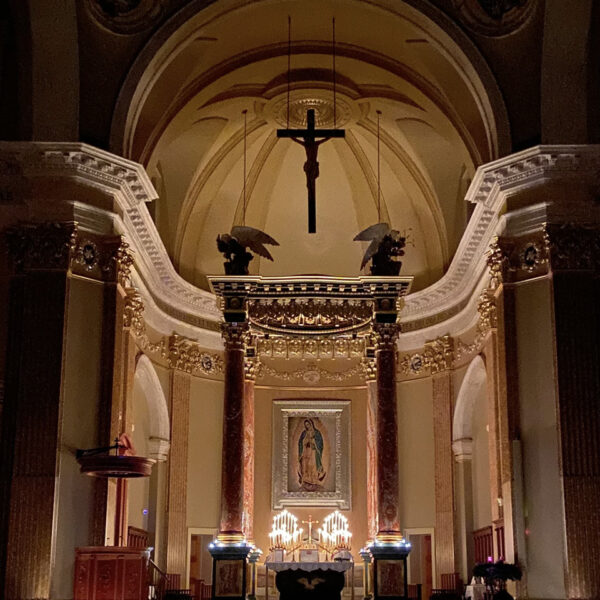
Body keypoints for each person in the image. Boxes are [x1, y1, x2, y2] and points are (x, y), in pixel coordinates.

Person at [298, 418, 326, 490]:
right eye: (306, 425)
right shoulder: (304, 433)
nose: (307, 426)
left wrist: (314, 441)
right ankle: (306, 481)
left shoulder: (317, 433)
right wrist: (305, 441)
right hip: (306, 451)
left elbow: (320, 443)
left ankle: (313, 481)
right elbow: (300, 442)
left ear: (311, 424)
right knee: (306, 466)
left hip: (313, 451)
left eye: (308, 425)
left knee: (312, 465)